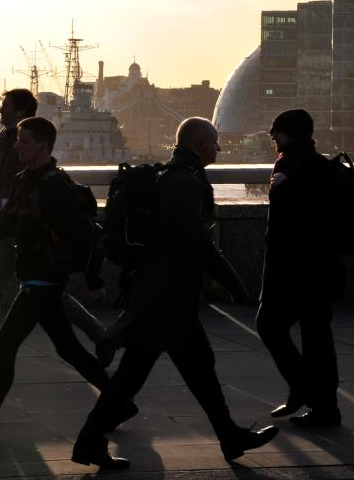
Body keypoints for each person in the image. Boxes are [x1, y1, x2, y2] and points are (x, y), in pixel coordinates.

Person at [72, 118, 277, 470]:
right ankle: (89, 442)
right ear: (199, 144)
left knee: (195, 369)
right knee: (133, 377)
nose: (219, 148)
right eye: (214, 142)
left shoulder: (176, 176)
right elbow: (194, 240)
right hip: (165, 297)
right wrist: (233, 282)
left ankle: (229, 435)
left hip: (167, 296)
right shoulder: (183, 181)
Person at [0, 116, 127, 441]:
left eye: (24, 141)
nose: (17, 145)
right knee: (68, 349)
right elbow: (3, 224)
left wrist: (94, 281)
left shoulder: (54, 187)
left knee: (5, 347)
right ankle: (120, 401)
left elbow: (82, 236)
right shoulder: (23, 180)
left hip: (44, 282)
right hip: (35, 281)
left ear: (42, 145)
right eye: (18, 140)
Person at [0, 89, 110, 374]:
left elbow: (15, 180)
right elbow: (0, 178)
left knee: (4, 289)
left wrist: (94, 280)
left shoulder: (27, 143)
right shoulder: (9, 140)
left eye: (5, 106)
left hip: (26, 227)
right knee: (39, 293)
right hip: (9, 221)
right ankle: (101, 336)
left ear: (20, 112)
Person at [256, 109, 343, 428]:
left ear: (289, 134)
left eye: (276, 132)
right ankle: (321, 403)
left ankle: (309, 393)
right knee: (316, 335)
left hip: (296, 268)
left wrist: (283, 187)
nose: (272, 137)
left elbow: (288, 223)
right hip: (319, 266)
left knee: (271, 325)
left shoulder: (294, 167)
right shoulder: (319, 165)